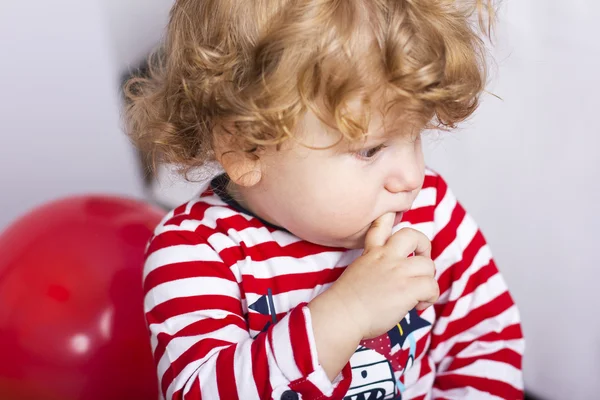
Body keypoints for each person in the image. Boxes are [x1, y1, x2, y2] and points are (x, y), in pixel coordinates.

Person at [124, 1, 525, 399]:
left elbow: (485, 340)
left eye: (415, 136)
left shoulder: (429, 211)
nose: (412, 176)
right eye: (370, 150)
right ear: (246, 151)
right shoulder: (195, 252)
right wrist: (348, 312)